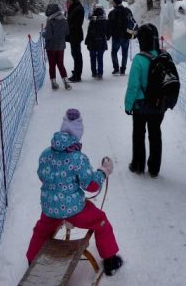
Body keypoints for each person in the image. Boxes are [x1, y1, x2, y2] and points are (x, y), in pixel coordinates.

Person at [25, 109, 124, 276]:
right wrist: (103, 172)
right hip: (75, 210)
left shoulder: (45, 154)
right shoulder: (78, 158)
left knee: (41, 230)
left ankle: (31, 260)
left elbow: (41, 175)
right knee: (101, 222)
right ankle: (110, 260)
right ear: (78, 134)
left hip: (50, 208)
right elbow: (91, 185)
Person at [124, 23, 165, 178]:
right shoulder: (163, 56)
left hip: (141, 104)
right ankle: (154, 168)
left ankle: (138, 165)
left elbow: (133, 86)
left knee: (138, 134)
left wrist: (128, 105)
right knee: (155, 134)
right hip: (158, 103)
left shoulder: (139, 60)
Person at [43, 3, 71, 90]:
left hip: (51, 46)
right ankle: (66, 82)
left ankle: (54, 83)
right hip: (60, 46)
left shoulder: (50, 21)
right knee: (60, 64)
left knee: (52, 65)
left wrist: (43, 33)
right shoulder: (64, 20)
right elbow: (67, 32)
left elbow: (48, 35)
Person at [107, 0, 133, 76]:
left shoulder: (112, 13)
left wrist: (108, 35)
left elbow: (109, 25)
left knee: (114, 52)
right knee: (125, 53)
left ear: (115, 3)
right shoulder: (128, 11)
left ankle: (116, 68)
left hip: (116, 36)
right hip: (126, 35)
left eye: (113, 2)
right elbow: (132, 22)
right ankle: (123, 70)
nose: (113, 4)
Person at [84, 5, 110, 80]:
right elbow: (107, 32)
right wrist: (107, 37)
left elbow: (89, 32)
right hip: (101, 42)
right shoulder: (105, 21)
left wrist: (87, 42)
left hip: (92, 42)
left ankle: (94, 72)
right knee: (100, 58)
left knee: (92, 58)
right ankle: (100, 73)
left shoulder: (92, 21)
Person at [65, 0, 85, 82]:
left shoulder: (78, 9)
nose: (68, 1)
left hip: (75, 34)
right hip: (73, 34)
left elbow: (77, 23)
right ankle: (76, 72)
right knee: (75, 54)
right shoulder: (75, 7)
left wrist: (69, 27)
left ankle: (77, 75)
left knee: (77, 55)